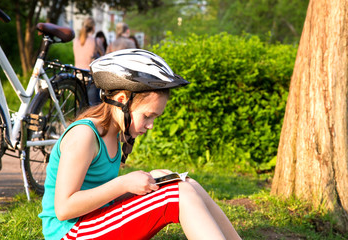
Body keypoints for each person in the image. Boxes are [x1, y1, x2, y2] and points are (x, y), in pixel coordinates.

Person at [38, 49, 241, 240]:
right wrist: (123, 183)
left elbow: (102, 198)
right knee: (179, 194)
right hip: (69, 233)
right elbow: (64, 208)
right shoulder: (84, 135)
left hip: (92, 222)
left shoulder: (114, 135)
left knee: (187, 184)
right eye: (147, 116)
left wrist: (151, 181)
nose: (151, 125)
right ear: (122, 99)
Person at [73, 17, 101, 105]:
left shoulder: (76, 41)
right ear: (93, 27)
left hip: (77, 76)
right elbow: (104, 57)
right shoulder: (96, 41)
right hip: (89, 76)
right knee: (92, 106)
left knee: (80, 106)